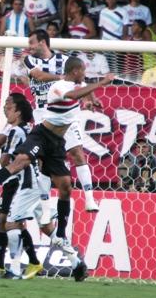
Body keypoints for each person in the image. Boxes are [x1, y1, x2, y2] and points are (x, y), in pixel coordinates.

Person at [0, 57, 115, 282]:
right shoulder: (59, 87)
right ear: (76, 71)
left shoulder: (74, 87)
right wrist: (102, 83)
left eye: (8, 108)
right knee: (19, 167)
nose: (85, 74)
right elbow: (72, 95)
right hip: (43, 139)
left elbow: (80, 92)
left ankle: (73, 262)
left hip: (52, 151)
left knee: (65, 189)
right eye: (83, 71)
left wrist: (92, 98)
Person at [23, 30, 100, 212]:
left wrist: (91, 99)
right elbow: (38, 76)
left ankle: (89, 199)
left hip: (67, 112)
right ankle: (45, 206)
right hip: (43, 113)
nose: (29, 47)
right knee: (43, 161)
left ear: (43, 42)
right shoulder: (29, 60)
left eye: (32, 42)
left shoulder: (65, 60)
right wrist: (61, 79)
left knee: (77, 152)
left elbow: (82, 81)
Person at [0, 93, 42, 279]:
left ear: (18, 111)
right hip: (25, 181)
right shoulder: (27, 129)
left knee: (12, 224)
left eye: (9, 106)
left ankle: (19, 266)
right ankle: (3, 266)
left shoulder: (16, 130)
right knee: (7, 222)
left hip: (17, 181)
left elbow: (5, 161)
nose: (5, 108)